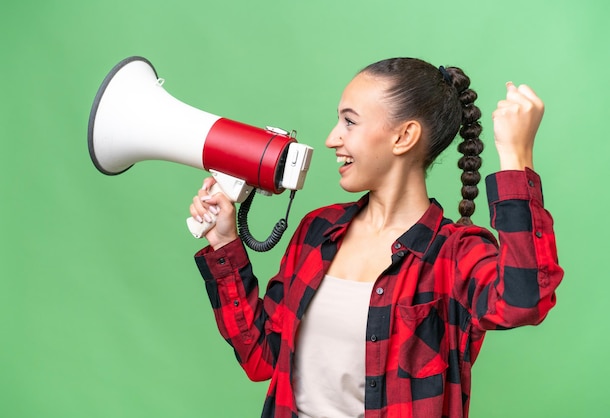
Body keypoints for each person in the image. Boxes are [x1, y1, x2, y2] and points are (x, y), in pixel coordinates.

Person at [189, 57, 563, 418]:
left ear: (404, 136)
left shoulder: (454, 253)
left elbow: (523, 302)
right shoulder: (318, 230)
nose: (331, 138)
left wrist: (516, 154)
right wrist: (224, 243)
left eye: (349, 122)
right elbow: (260, 358)